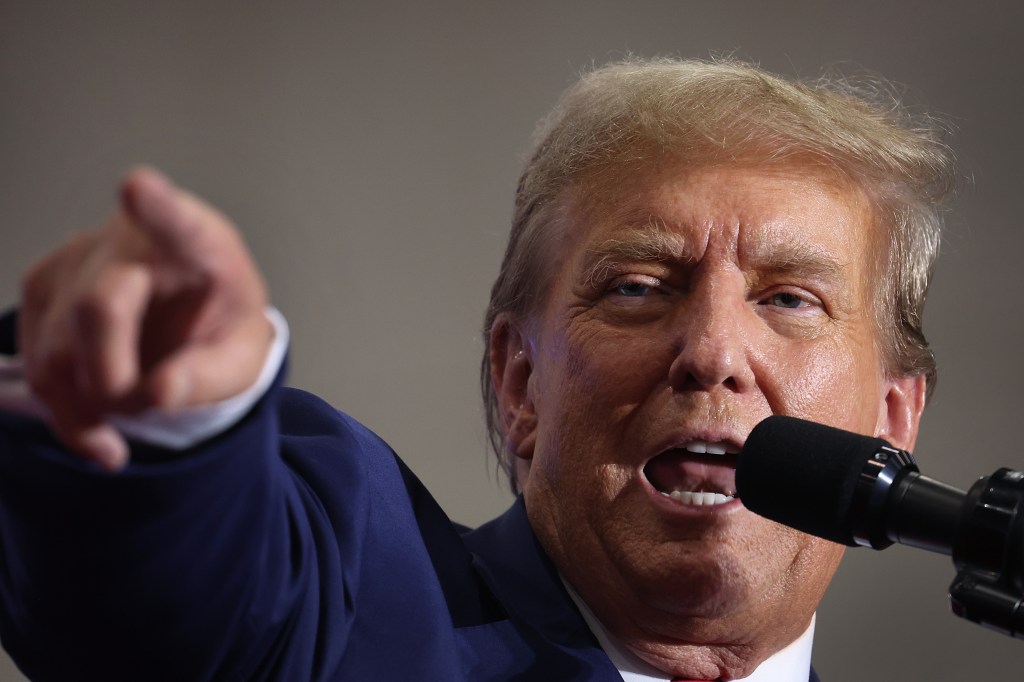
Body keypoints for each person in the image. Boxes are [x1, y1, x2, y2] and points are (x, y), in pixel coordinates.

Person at [0, 57, 954, 681]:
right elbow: (176, 597)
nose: (712, 353)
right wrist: (170, 429)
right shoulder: (351, 600)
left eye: (790, 299)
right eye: (636, 287)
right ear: (518, 383)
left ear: (892, 422)